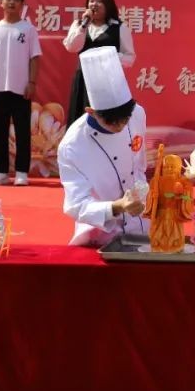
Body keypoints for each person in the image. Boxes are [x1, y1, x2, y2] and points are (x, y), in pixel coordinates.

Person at [58, 47, 149, 246]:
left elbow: (139, 167)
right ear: (91, 112)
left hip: (142, 224)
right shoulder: (73, 145)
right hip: (99, 235)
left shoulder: (138, 114)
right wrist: (118, 206)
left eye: (125, 119)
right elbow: (77, 206)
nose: (121, 126)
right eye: (112, 122)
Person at [0, 0, 42, 186]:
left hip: (21, 87)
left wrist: (31, 82)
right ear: (1, 3)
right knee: (0, 131)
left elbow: (34, 58)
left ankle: (22, 172)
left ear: (22, 4)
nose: (11, 2)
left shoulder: (28, 29)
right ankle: (1, 172)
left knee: (23, 130)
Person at [62, 0, 136, 124]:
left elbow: (129, 58)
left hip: (107, 82)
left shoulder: (119, 28)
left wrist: (109, 56)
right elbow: (72, 47)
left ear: (108, 6)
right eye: (91, 1)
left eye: (99, 1)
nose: (94, 4)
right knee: (81, 120)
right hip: (83, 79)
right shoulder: (79, 25)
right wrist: (83, 26)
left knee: (104, 121)